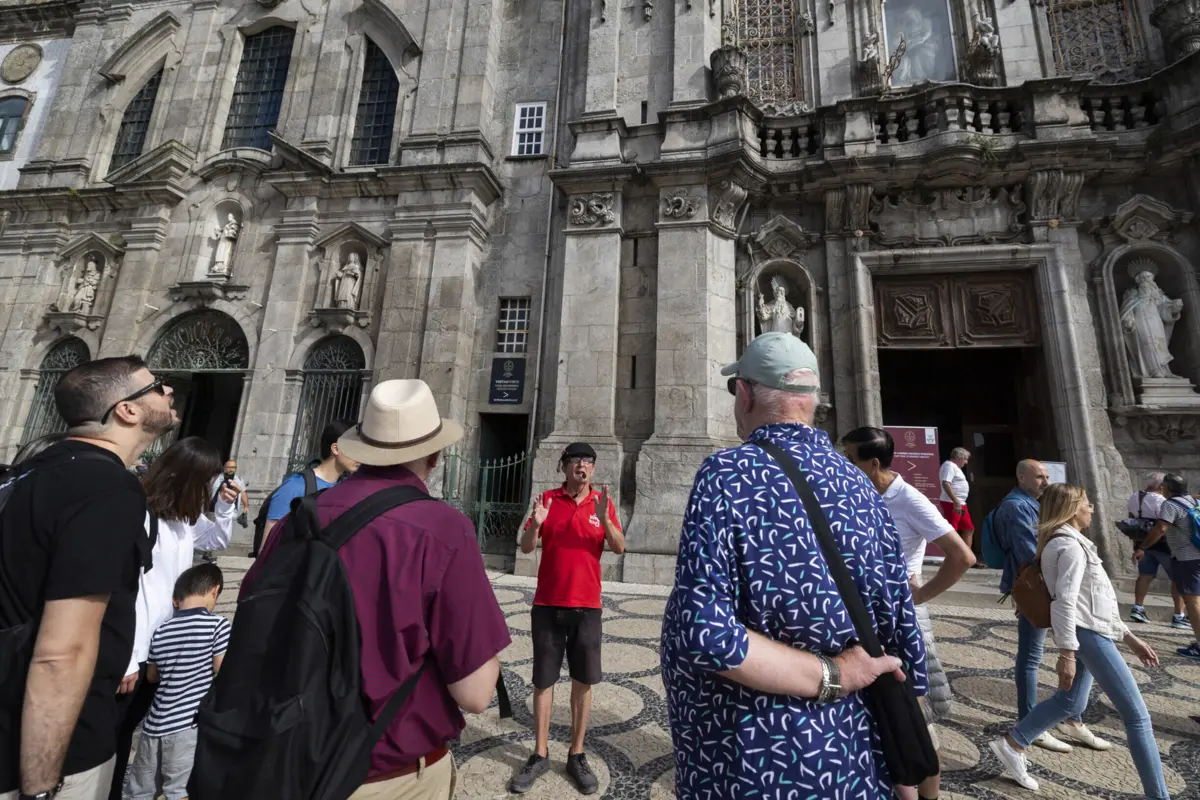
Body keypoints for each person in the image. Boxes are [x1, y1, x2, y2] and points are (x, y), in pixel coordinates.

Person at [660, 333, 927, 799]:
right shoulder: (863, 487)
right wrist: (904, 775)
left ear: (745, 393)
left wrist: (832, 676)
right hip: (853, 761)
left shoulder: (727, 474)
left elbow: (708, 635)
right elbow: (902, 640)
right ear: (810, 401)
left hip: (750, 758)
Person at [244, 380, 510, 799]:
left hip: (283, 758)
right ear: (436, 455)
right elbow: (475, 694)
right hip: (385, 775)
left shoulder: (301, 514)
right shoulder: (442, 529)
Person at [0, 356, 176, 800]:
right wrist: (40, 787)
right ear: (127, 410)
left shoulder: (26, 474)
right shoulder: (106, 487)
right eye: (157, 386)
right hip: (56, 750)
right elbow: (63, 652)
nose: (169, 391)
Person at [990, 484, 1167, 798]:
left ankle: (1013, 742)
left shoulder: (1071, 543)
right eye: (1087, 503)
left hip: (1089, 631)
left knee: (1071, 702)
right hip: (1085, 636)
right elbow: (1065, 602)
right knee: (1138, 717)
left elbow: (1095, 601)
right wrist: (1067, 653)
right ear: (1072, 508)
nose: (1093, 509)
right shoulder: (1068, 546)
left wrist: (1129, 637)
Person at [842, 426, 975, 800]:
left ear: (872, 463)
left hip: (905, 622)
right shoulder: (858, 493)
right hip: (868, 616)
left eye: (849, 459)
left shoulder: (910, 499)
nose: (843, 465)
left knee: (918, 715)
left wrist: (917, 597)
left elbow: (962, 556)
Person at [109, 437, 238, 800]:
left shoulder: (185, 518)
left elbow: (216, 541)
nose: (208, 489)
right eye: (206, 481)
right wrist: (130, 658)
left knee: (143, 728)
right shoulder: (144, 515)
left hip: (165, 643)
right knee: (118, 732)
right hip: (137, 649)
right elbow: (133, 590)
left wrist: (225, 509)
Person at [510, 443, 625, 796]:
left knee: (583, 681)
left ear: (593, 469)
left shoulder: (602, 504)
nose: (582, 466)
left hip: (587, 607)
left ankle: (576, 753)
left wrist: (606, 521)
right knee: (543, 681)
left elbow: (619, 547)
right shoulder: (547, 500)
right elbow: (527, 546)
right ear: (563, 467)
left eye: (588, 462)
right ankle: (540, 752)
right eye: (576, 461)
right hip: (547, 604)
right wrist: (536, 526)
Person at [991, 460, 1107, 752]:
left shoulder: (1033, 504)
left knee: (1078, 651)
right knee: (1031, 656)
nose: (1045, 481)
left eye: (1046, 476)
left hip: (1051, 591)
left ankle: (1072, 718)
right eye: (1039, 476)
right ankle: (1030, 723)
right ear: (1021, 477)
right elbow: (1029, 554)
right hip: (1039, 593)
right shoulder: (1016, 507)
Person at [124, 564, 230, 800]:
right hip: (186, 726)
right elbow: (221, 669)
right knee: (180, 792)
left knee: (139, 793)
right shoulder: (217, 626)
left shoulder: (161, 630)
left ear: (175, 600)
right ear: (215, 591)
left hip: (153, 727)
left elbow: (152, 676)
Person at [258, 420, 359, 553]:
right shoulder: (296, 486)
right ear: (335, 448)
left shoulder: (345, 488)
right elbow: (268, 546)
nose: (360, 456)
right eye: (355, 448)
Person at [1138, 473, 1200, 660]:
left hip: (1186, 558)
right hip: (1197, 555)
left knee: (1192, 602)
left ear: (1167, 488)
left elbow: (1160, 529)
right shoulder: (1194, 502)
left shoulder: (1170, 505)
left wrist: (1142, 547)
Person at [1127, 473, 1188, 628]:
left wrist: (1138, 544)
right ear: (1162, 486)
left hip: (1142, 542)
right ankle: (1178, 615)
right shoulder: (1161, 500)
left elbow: (1131, 517)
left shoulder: (1135, 496)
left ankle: (1138, 607)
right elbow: (1163, 524)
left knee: (1145, 576)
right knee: (1177, 578)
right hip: (1162, 544)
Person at [938, 448, 975, 553]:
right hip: (952, 503)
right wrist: (955, 501)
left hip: (961, 503)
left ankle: (966, 555)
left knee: (968, 528)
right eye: (965, 459)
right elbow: (946, 483)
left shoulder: (954, 467)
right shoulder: (949, 466)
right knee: (952, 529)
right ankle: (952, 556)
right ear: (958, 457)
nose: (966, 462)